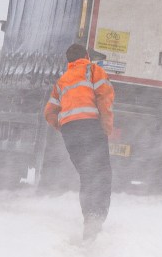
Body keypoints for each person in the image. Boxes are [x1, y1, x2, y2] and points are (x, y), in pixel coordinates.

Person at [43, 43, 114, 241]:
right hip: (91, 127)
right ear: (86, 56)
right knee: (100, 173)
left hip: (71, 132)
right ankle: (96, 217)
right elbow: (105, 98)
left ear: (69, 62)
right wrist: (106, 126)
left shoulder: (62, 81)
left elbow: (49, 112)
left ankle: (89, 217)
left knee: (86, 173)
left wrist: (64, 126)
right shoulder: (93, 71)